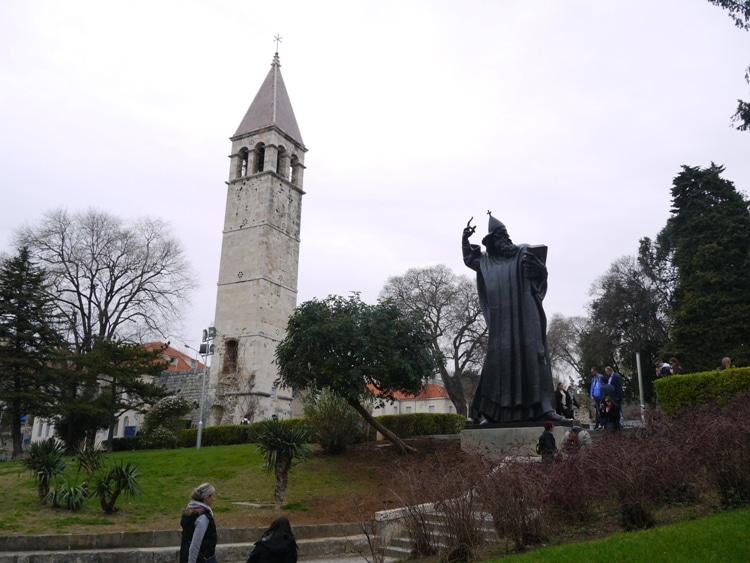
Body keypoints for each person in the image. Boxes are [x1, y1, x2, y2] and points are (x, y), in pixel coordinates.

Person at [462, 213, 561, 423]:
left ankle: (543, 409)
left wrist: (540, 271)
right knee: (498, 362)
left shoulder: (523, 251)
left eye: (505, 235)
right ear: (491, 242)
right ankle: (496, 413)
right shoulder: (487, 262)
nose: (505, 239)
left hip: (526, 317)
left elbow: (539, 274)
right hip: (502, 322)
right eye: (499, 236)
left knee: (533, 356)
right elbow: (471, 259)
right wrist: (465, 239)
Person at [180, 483, 218, 563]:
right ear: (206, 498)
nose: (214, 499)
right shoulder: (203, 517)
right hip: (203, 558)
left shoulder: (188, 513)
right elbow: (195, 544)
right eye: (212, 496)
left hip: (186, 555)